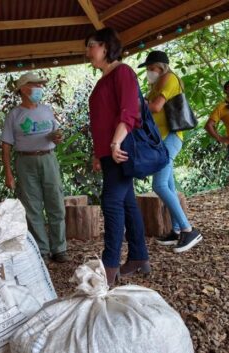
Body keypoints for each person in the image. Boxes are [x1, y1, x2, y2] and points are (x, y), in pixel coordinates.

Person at [85, 27, 150, 285]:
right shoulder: (104, 79)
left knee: (111, 202)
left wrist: (114, 142)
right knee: (126, 203)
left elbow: (129, 111)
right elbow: (101, 120)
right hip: (110, 151)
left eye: (91, 45)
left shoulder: (122, 72)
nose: (88, 51)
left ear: (106, 47)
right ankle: (139, 257)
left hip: (121, 149)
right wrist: (98, 153)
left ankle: (109, 267)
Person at [0, 72, 70, 264]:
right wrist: (8, 173)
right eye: (35, 84)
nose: (39, 88)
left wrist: (57, 136)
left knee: (55, 202)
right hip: (25, 162)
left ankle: (60, 248)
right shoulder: (14, 115)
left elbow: (56, 132)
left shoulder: (46, 110)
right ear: (23, 89)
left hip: (48, 158)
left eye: (40, 85)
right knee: (32, 207)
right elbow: (6, 145)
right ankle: (42, 250)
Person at [139, 50, 202, 253]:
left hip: (170, 138)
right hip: (160, 140)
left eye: (151, 68)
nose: (149, 72)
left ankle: (188, 229)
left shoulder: (169, 79)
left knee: (158, 185)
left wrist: (135, 103)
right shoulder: (155, 85)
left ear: (161, 67)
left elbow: (156, 107)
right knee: (168, 185)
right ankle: (175, 231)